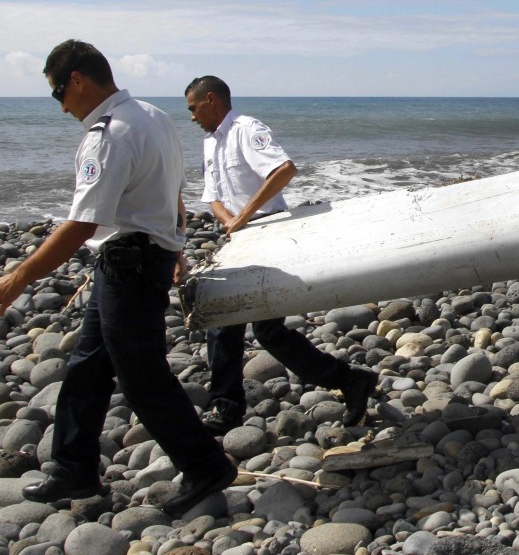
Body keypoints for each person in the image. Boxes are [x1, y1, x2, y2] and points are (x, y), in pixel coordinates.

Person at [0, 40, 235, 515]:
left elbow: (83, 223)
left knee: (143, 377)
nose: (61, 107)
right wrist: (174, 245)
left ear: (78, 81)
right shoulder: (153, 117)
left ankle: (206, 464)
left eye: (58, 93)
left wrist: (18, 277)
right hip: (136, 259)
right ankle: (74, 467)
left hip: (130, 265)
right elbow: (171, 193)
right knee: (88, 365)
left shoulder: (108, 134)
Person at [184, 75, 378, 433]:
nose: (192, 117)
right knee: (237, 325)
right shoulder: (210, 142)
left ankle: (230, 408)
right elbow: (212, 196)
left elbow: (284, 170)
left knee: (256, 327)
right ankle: (346, 381)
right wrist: (230, 222)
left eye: (194, 108)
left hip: (269, 232)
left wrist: (243, 217)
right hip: (240, 237)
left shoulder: (246, 130)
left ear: (211, 99)